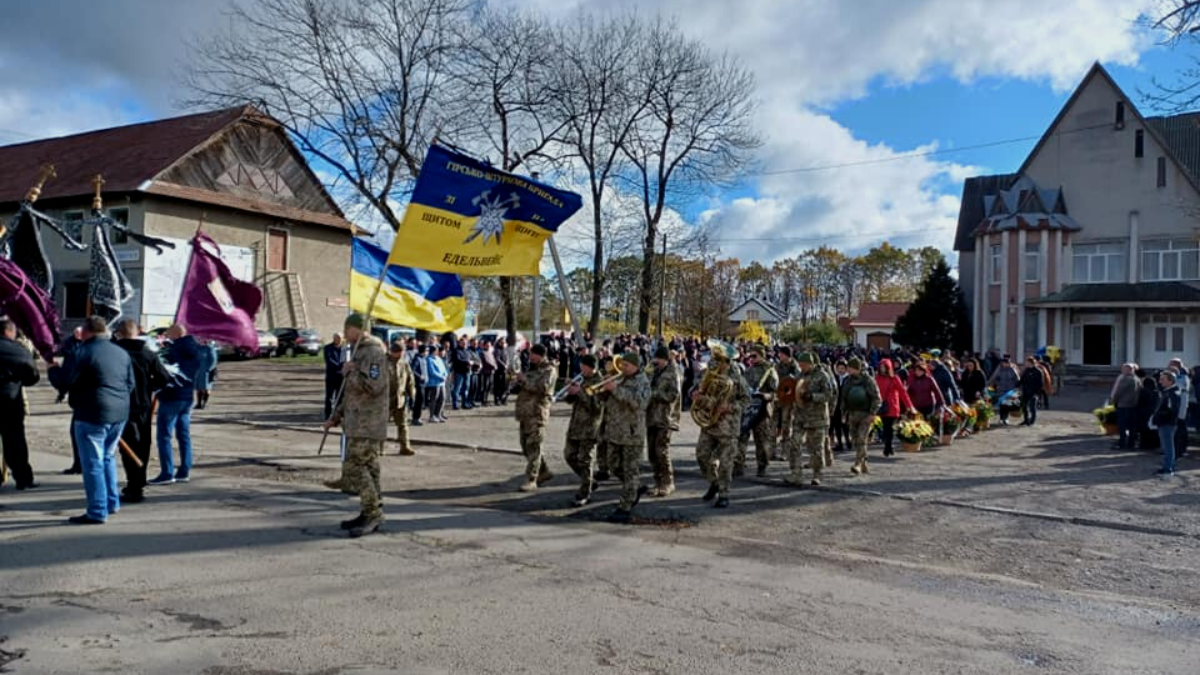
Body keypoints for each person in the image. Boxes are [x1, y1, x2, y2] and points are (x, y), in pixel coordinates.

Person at [48, 316, 134, 525]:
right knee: (107, 458)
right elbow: (130, 383)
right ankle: (111, 502)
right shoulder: (121, 352)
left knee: (93, 463)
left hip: (92, 412)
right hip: (119, 412)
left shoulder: (82, 352)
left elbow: (64, 381)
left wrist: (52, 368)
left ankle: (97, 511)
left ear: (85, 332)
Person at [322, 314, 389, 537]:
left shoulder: (374, 352)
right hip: (356, 421)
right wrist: (336, 416)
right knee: (369, 469)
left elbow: (375, 386)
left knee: (355, 467)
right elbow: (350, 394)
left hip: (367, 423)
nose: (344, 334)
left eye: (347, 329)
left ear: (356, 329)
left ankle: (373, 513)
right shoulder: (359, 351)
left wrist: (353, 372)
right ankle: (369, 511)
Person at [113, 320, 169, 503]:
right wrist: (148, 387)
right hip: (143, 404)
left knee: (128, 446)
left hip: (122, 403)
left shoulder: (116, 352)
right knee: (143, 444)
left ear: (119, 334)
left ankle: (134, 485)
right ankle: (139, 482)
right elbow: (164, 378)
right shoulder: (148, 353)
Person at [693, 345, 750, 508]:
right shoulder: (710, 374)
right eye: (714, 358)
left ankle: (724, 494)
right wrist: (698, 396)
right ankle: (714, 482)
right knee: (701, 455)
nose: (714, 362)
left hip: (729, 427)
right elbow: (702, 391)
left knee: (726, 463)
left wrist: (730, 407)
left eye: (719, 360)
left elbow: (746, 401)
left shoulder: (738, 378)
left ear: (727, 361)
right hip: (710, 423)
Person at [601, 352, 651, 523]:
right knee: (613, 466)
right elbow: (608, 402)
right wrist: (605, 389)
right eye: (622, 365)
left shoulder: (642, 382)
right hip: (615, 432)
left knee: (630, 471)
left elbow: (639, 403)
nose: (622, 368)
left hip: (632, 434)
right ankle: (634, 488)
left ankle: (625, 507)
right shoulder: (622, 378)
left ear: (636, 366)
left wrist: (615, 389)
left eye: (626, 365)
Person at [151, 324, 204, 485]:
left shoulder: (172, 350)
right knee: (183, 434)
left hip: (171, 395)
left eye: (168, 333)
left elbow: (163, 369)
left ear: (175, 334)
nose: (166, 335)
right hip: (187, 395)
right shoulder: (195, 349)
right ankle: (184, 470)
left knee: (164, 435)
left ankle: (167, 472)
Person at [0, 319, 40, 490]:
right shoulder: (19, 350)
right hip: (10, 400)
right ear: (11, 332)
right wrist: (19, 381)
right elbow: (33, 375)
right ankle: (23, 478)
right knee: (15, 441)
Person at [563, 355, 605, 506]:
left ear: (591, 367)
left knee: (585, 460)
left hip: (590, 427)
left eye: (583, 367)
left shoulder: (600, 382)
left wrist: (579, 391)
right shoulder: (583, 379)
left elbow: (597, 407)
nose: (581, 370)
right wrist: (570, 390)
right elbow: (570, 400)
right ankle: (590, 482)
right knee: (569, 456)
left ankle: (584, 493)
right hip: (576, 426)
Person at [514, 344, 556, 492]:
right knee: (526, 446)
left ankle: (532, 479)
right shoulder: (533, 369)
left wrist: (525, 380)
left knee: (534, 446)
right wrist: (519, 381)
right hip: (525, 413)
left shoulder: (549, 370)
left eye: (532, 354)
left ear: (539, 355)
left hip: (537, 413)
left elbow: (543, 388)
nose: (530, 357)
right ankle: (544, 471)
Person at [787, 353, 833, 487]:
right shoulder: (800, 375)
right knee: (794, 444)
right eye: (800, 365)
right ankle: (796, 474)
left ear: (811, 364)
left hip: (817, 417)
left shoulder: (822, 376)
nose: (801, 367)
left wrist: (812, 396)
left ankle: (817, 474)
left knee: (816, 448)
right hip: (800, 416)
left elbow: (829, 394)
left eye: (804, 365)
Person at [645, 346, 681, 497]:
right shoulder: (656, 371)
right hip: (652, 416)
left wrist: (655, 394)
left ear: (666, 359)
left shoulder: (673, 372)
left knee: (661, 451)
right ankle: (657, 482)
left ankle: (668, 482)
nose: (656, 361)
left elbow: (674, 394)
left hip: (666, 418)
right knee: (652, 453)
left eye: (658, 359)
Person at [840, 357, 882, 476]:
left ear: (856, 368)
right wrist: (843, 413)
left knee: (861, 438)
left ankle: (857, 463)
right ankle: (863, 462)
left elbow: (876, 398)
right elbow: (844, 398)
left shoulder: (868, 380)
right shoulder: (848, 381)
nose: (848, 370)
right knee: (854, 440)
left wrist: (873, 414)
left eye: (850, 368)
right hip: (852, 414)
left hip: (866, 414)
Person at [875, 358, 914, 457]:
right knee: (885, 427)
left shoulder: (894, 378)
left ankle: (888, 446)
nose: (882, 369)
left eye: (884, 367)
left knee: (890, 427)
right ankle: (888, 446)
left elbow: (902, 392)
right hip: (882, 406)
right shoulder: (877, 378)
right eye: (881, 367)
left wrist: (909, 405)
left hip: (893, 406)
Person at [388, 341, 417, 456]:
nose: (400, 355)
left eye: (402, 353)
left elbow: (410, 380)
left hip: (400, 399)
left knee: (403, 424)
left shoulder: (404, 364)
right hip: (385, 400)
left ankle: (405, 446)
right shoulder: (383, 363)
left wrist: (412, 394)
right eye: (398, 353)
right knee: (380, 426)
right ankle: (378, 448)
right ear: (392, 352)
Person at [1153, 370, 1182, 477]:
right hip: (1165, 422)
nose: (1160, 381)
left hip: (1167, 423)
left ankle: (1168, 469)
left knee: (1168, 446)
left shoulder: (1172, 393)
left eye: (1163, 379)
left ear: (1170, 381)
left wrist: (1159, 415)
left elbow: (1172, 410)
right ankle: (1167, 466)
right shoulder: (1168, 391)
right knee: (1166, 446)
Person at [1110, 364, 1141, 450]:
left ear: (1128, 370)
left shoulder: (1125, 379)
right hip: (1133, 405)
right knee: (1131, 426)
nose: (1122, 371)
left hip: (1123, 405)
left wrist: (1114, 401)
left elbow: (1119, 392)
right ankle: (1131, 443)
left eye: (1123, 369)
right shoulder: (1137, 379)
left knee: (1122, 425)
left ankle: (1122, 443)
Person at [987, 356, 1020, 424]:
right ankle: (1002, 418)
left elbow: (1017, 379)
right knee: (1002, 405)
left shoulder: (1013, 370)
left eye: (1005, 363)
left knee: (1007, 405)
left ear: (1009, 363)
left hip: (1009, 391)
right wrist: (988, 384)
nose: (1004, 364)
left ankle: (1005, 418)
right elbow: (994, 377)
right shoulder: (999, 369)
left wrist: (1017, 388)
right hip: (1001, 390)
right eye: (1003, 363)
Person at [828, 359, 849, 454]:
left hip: (845, 405)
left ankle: (848, 441)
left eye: (843, 368)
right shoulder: (835, 378)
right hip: (836, 405)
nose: (841, 370)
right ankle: (839, 443)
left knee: (845, 425)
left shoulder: (848, 379)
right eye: (839, 368)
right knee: (837, 425)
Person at [323, 333, 345, 421]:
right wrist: (339, 368)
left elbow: (347, 360)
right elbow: (329, 360)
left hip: (341, 377)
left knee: (339, 398)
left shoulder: (345, 349)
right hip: (331, 376)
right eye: (336, 338)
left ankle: (337, 416)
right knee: (329, 397)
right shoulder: (328, 348)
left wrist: (343, 369)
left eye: (339, 338)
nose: (337, 339)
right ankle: (328, 415)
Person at [1019, 356, 1044, 426]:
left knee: (1032, 407)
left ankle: (1032, 421)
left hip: (1034, 392)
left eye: (1027, 362)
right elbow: (1022, 379)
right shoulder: (1027, 370)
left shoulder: (1038, 371)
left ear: (1031, 363)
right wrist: (1016, 385)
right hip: (1026, 391)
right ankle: (1026, 420)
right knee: (1024, 406)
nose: (1025, 364)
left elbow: (1040, 384)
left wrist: (1037, 393)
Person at [425, 346, 448, 423]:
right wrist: (440, 377)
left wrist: (445, 375)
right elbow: (432, 372)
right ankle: (432, 416)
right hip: (434, 382)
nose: (438, 352)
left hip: (442, 382)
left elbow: (444, 369)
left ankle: (438, 414)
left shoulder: (439, 359)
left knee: (442, 398)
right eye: (437, 350)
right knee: (434, 399)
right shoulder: (429, 359)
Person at [193, 341, 218, 410]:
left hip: (206, 372)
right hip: (197, 371)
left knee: (206, 388)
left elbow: (213, 360)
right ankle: (198, 403)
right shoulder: (197, 348)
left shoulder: (209, 348)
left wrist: (208, 369)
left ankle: (204, 403)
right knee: (198, 388)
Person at [450, 335, 473, 410]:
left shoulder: (467, 351)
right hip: (459, 372)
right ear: (459, 343)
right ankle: (455, 404)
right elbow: (457, 360)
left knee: (466, 388)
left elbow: (471, 359)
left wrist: (472, 363)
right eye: (462, 343)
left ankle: (464, 403)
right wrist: (467, 362)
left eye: (465, 343)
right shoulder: (456, 351)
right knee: (457, 388)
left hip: (467, 372)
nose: (464, 344)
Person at [409, 343, 427, 426]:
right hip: (418, 383)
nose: (427, 352)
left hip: (423, 383)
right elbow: (412, 369)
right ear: (423, 351)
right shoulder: (417, 359)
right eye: (426, 351)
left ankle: (417, 417)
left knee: (421, 400)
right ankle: (415, 418)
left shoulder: (423, 358)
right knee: (419, 400)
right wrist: (420, 376)